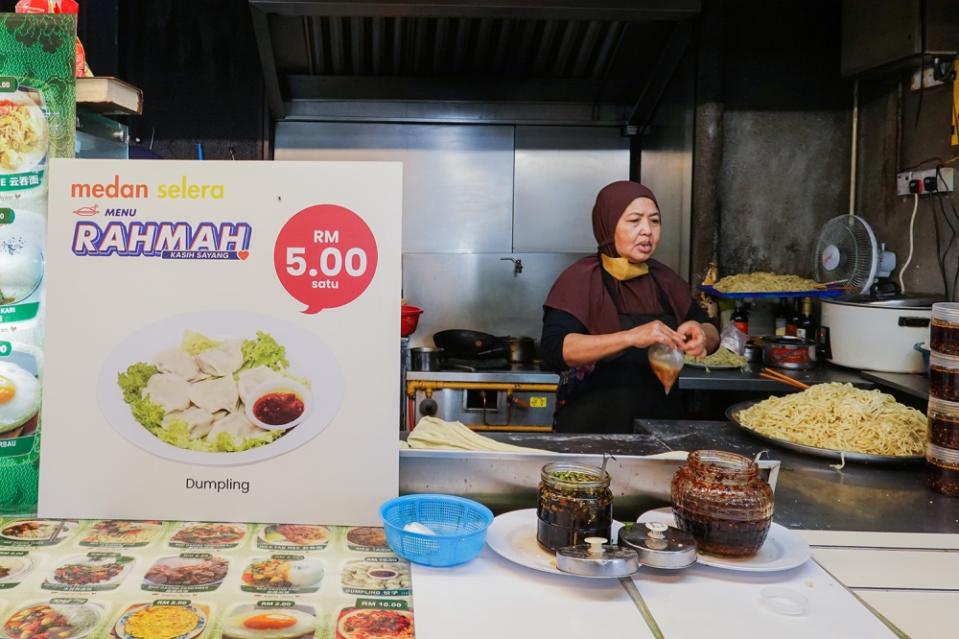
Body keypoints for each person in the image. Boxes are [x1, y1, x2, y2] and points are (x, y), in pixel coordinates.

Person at [541, 181, 719, 433]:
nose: (647, 230)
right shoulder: (580, 279)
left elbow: (712, 331)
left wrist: (700, 332)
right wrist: (631, 336)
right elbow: (555, 350)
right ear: (608, 224)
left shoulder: (665, 279)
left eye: (655, 221)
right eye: (634, 220)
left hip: (660, 431)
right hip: (589, 431)